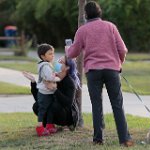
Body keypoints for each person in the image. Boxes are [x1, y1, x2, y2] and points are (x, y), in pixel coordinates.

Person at [65, 1, 134, 147]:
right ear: (99, 12)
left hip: (93, 72)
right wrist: (118, 64)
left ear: (85, 15)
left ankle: (98, 139)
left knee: (96, 105)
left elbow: (73, 53)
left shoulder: (82, 30)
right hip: (112, 70)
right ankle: (125, 139)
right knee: (117, 104)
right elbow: (123, 50)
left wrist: (67, 49)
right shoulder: (110, 26)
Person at [22, 56, 79, 136]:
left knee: (54, 105)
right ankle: (48, 125)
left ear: (66, 67)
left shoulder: (69, 82)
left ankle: (64, 124)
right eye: (58, 60)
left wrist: (55, 90)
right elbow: (39, 99)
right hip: (54, 111)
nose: (57, 63)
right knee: (37, 106)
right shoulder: (51, 77)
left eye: (61, 62)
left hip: (67, 115)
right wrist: (33, 82)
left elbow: (68, 103)